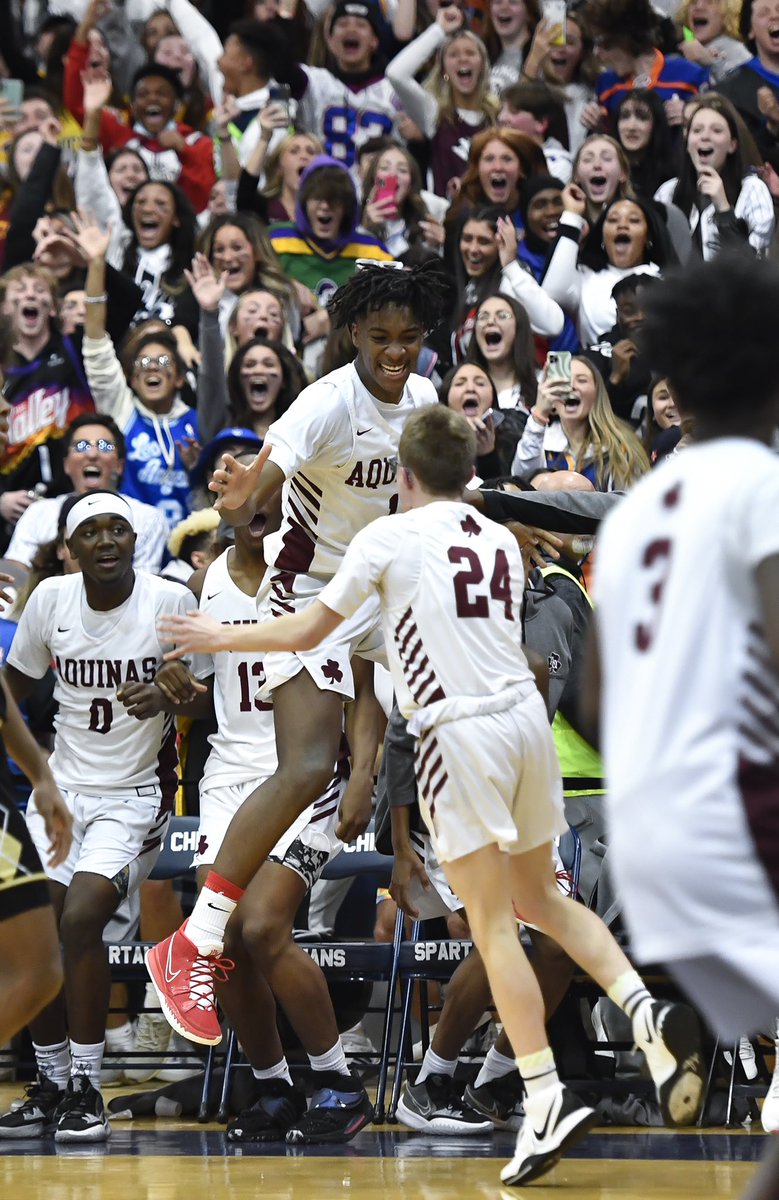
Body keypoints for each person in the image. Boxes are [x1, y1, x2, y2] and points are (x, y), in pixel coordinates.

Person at [158, 404, 705, 1186]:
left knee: (490, 921)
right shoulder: (502, 545)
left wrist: (223, 637)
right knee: (543, 907)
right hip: (525, 731)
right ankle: (638, 1009)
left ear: (402, 477)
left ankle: (545, 1094)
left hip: (462, 735)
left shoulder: (385, 538)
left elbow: (309, 628)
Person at [145, 260, 447, 1048]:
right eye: (379, 336)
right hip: (308, 589)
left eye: (408, 337)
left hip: (378, 590)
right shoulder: (325, 402)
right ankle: (197, 938)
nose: (395, 350)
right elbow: (268, 469)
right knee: (310, 764)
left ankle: (501, 874)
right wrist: (246, 488)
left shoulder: (421, 400)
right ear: (350, 333)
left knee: (457, 696)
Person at [585, 251, 779, 1200]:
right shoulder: (759, 485)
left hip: (649, 839)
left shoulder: (634, 514)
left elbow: (590, 695)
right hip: (735, 815)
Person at [139, 482, 380, 1142]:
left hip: (311, 778)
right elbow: (208, 697)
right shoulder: (209, 581)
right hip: (229, 776)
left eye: (272, 506)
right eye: (248, 506)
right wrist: (170, 693)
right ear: (227, 513)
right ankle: (273, 1088)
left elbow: (364, 689)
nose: (260, 516)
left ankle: (336, 1082)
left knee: (264, 925)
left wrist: (362, 773)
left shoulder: (324, 574)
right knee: (229, 939)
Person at [0, 491, 190, 1143]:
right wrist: (36, 771)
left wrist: (173, 692)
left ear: (134, 539)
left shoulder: (170, 601)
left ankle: (87, 1084)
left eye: (118, 529)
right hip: (63, 793)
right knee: (40, 933)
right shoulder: (50, 599)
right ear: (69, 549)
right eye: (91, 532)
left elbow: (209, 699)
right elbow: (11, 687)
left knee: (80, 918)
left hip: (136, 796)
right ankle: (51, 1084)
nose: (106, 540)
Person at [5, 414, 169, 575]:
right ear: (66, 465)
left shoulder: (148, 518)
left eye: (105, 446)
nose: (92, 454)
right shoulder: (38, 513)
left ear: (120, 465)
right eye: (81, 446)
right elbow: (14, 576)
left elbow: (145, 589)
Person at [654, 94, 775, 258]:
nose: (705, 136)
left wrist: (723, 208)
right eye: (697, 130)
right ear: (687, 142)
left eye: (716, 130)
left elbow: (751, 266)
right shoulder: (667, 193)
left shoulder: (752, 189)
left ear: (732, 145)